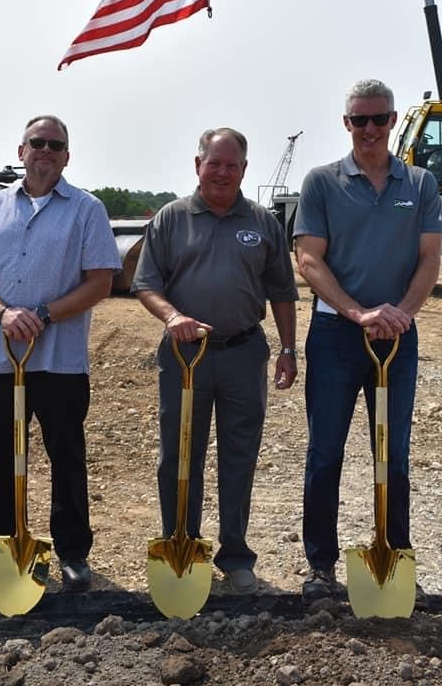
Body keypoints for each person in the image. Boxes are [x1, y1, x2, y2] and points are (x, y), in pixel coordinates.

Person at [0, 114, 121, 590]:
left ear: (67, 156)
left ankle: (72, 552)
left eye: (56, 145)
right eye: (37, 143)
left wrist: (43, 315)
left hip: (59, 361)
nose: (46, 150)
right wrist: (3, 313)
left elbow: (101, 282)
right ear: (21, 151)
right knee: (2, 450)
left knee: (66, 452)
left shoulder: (86, 209)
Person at [294, 79, 442, 601]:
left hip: (397, 338)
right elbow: (309, 259)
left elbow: (429, 258)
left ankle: (394, 555)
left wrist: (400, 313)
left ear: (394, 120)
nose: (370, 129)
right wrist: (358, 312)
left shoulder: (421, 184)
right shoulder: (321, 183)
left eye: (380, 119)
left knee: (392, 453)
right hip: (337, 336)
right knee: (325, 451)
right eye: (360, 120)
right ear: (346, 124)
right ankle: (320, 566)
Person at [131, 127, 298, 595]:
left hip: (244, 353)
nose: (222, 172)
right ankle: (181, 544)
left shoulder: (263, 222)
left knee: (239, 457)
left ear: (244, 169)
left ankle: (236, 555)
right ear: (197, 164)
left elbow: (283, 291)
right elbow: (146, 283)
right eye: (214, 162)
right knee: (179, 455)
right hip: (186, 357)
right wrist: (173, 316)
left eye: (232, 165)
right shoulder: (170, 218)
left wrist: (288, 348)